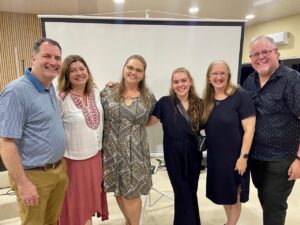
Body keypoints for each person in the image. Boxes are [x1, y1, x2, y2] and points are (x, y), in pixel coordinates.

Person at [0, 37, 68, 225]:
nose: (53, 62)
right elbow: (6, 143)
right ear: (33, 58)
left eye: (57, 58)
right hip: (33, 175)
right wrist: (23, 183)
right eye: (47, 56)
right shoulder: (16, 92)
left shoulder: (49, 88)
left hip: (57, 171)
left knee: (51, 221)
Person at [243, 35, 300, 225]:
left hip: (282, 157)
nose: (260, 57)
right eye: (255, 54)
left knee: (274, 205)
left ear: (276, 52)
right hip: (257, 156)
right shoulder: (249, 81)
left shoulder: (292, 80)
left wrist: (299, 159)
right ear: (250, 58)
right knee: (264, 198)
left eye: (265, 52)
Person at [100, 55, 156, 225]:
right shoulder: (107, 92)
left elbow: (152, 119)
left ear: (143, 74)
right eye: (130, 67)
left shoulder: (148, 97)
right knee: (119, 190)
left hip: (136, 152)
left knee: (132, 192)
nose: (133, 72)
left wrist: (134, 129)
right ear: (124, 68)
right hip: (111, 151)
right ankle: (129, 222)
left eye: (139, 70)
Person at [147, 67, 204, 225]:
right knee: (182, 191)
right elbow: (146, 122)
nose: (180, 85)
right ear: (172, 85)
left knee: (191, 191)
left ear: (190, 82)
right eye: (176, 82)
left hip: (194, 155)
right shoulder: (165, 102)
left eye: (183, 80)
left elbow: (213, 125)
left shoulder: (200, 104)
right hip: (173, 155)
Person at [57, 55, 109, 225]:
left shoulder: (96, 92)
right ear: (66, 75)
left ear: (87, 71)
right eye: (73, 70)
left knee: (87, 204)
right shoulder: (61, 99)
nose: (79, 73)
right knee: (75, 206)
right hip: (73, 162)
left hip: (94, 158)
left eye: (82, 68)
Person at [202, 60, 256, 225]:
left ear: (228, 75)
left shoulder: (241, 96)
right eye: (215, 74)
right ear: (209, 78)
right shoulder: (208, 100)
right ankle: (229, 221)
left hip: (235, 156)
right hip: (215, 157)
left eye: (222, 73)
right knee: (224, 193)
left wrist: (243, 157)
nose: (219, 77)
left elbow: (250, 129)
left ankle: (230, 224)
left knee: (235, 195)